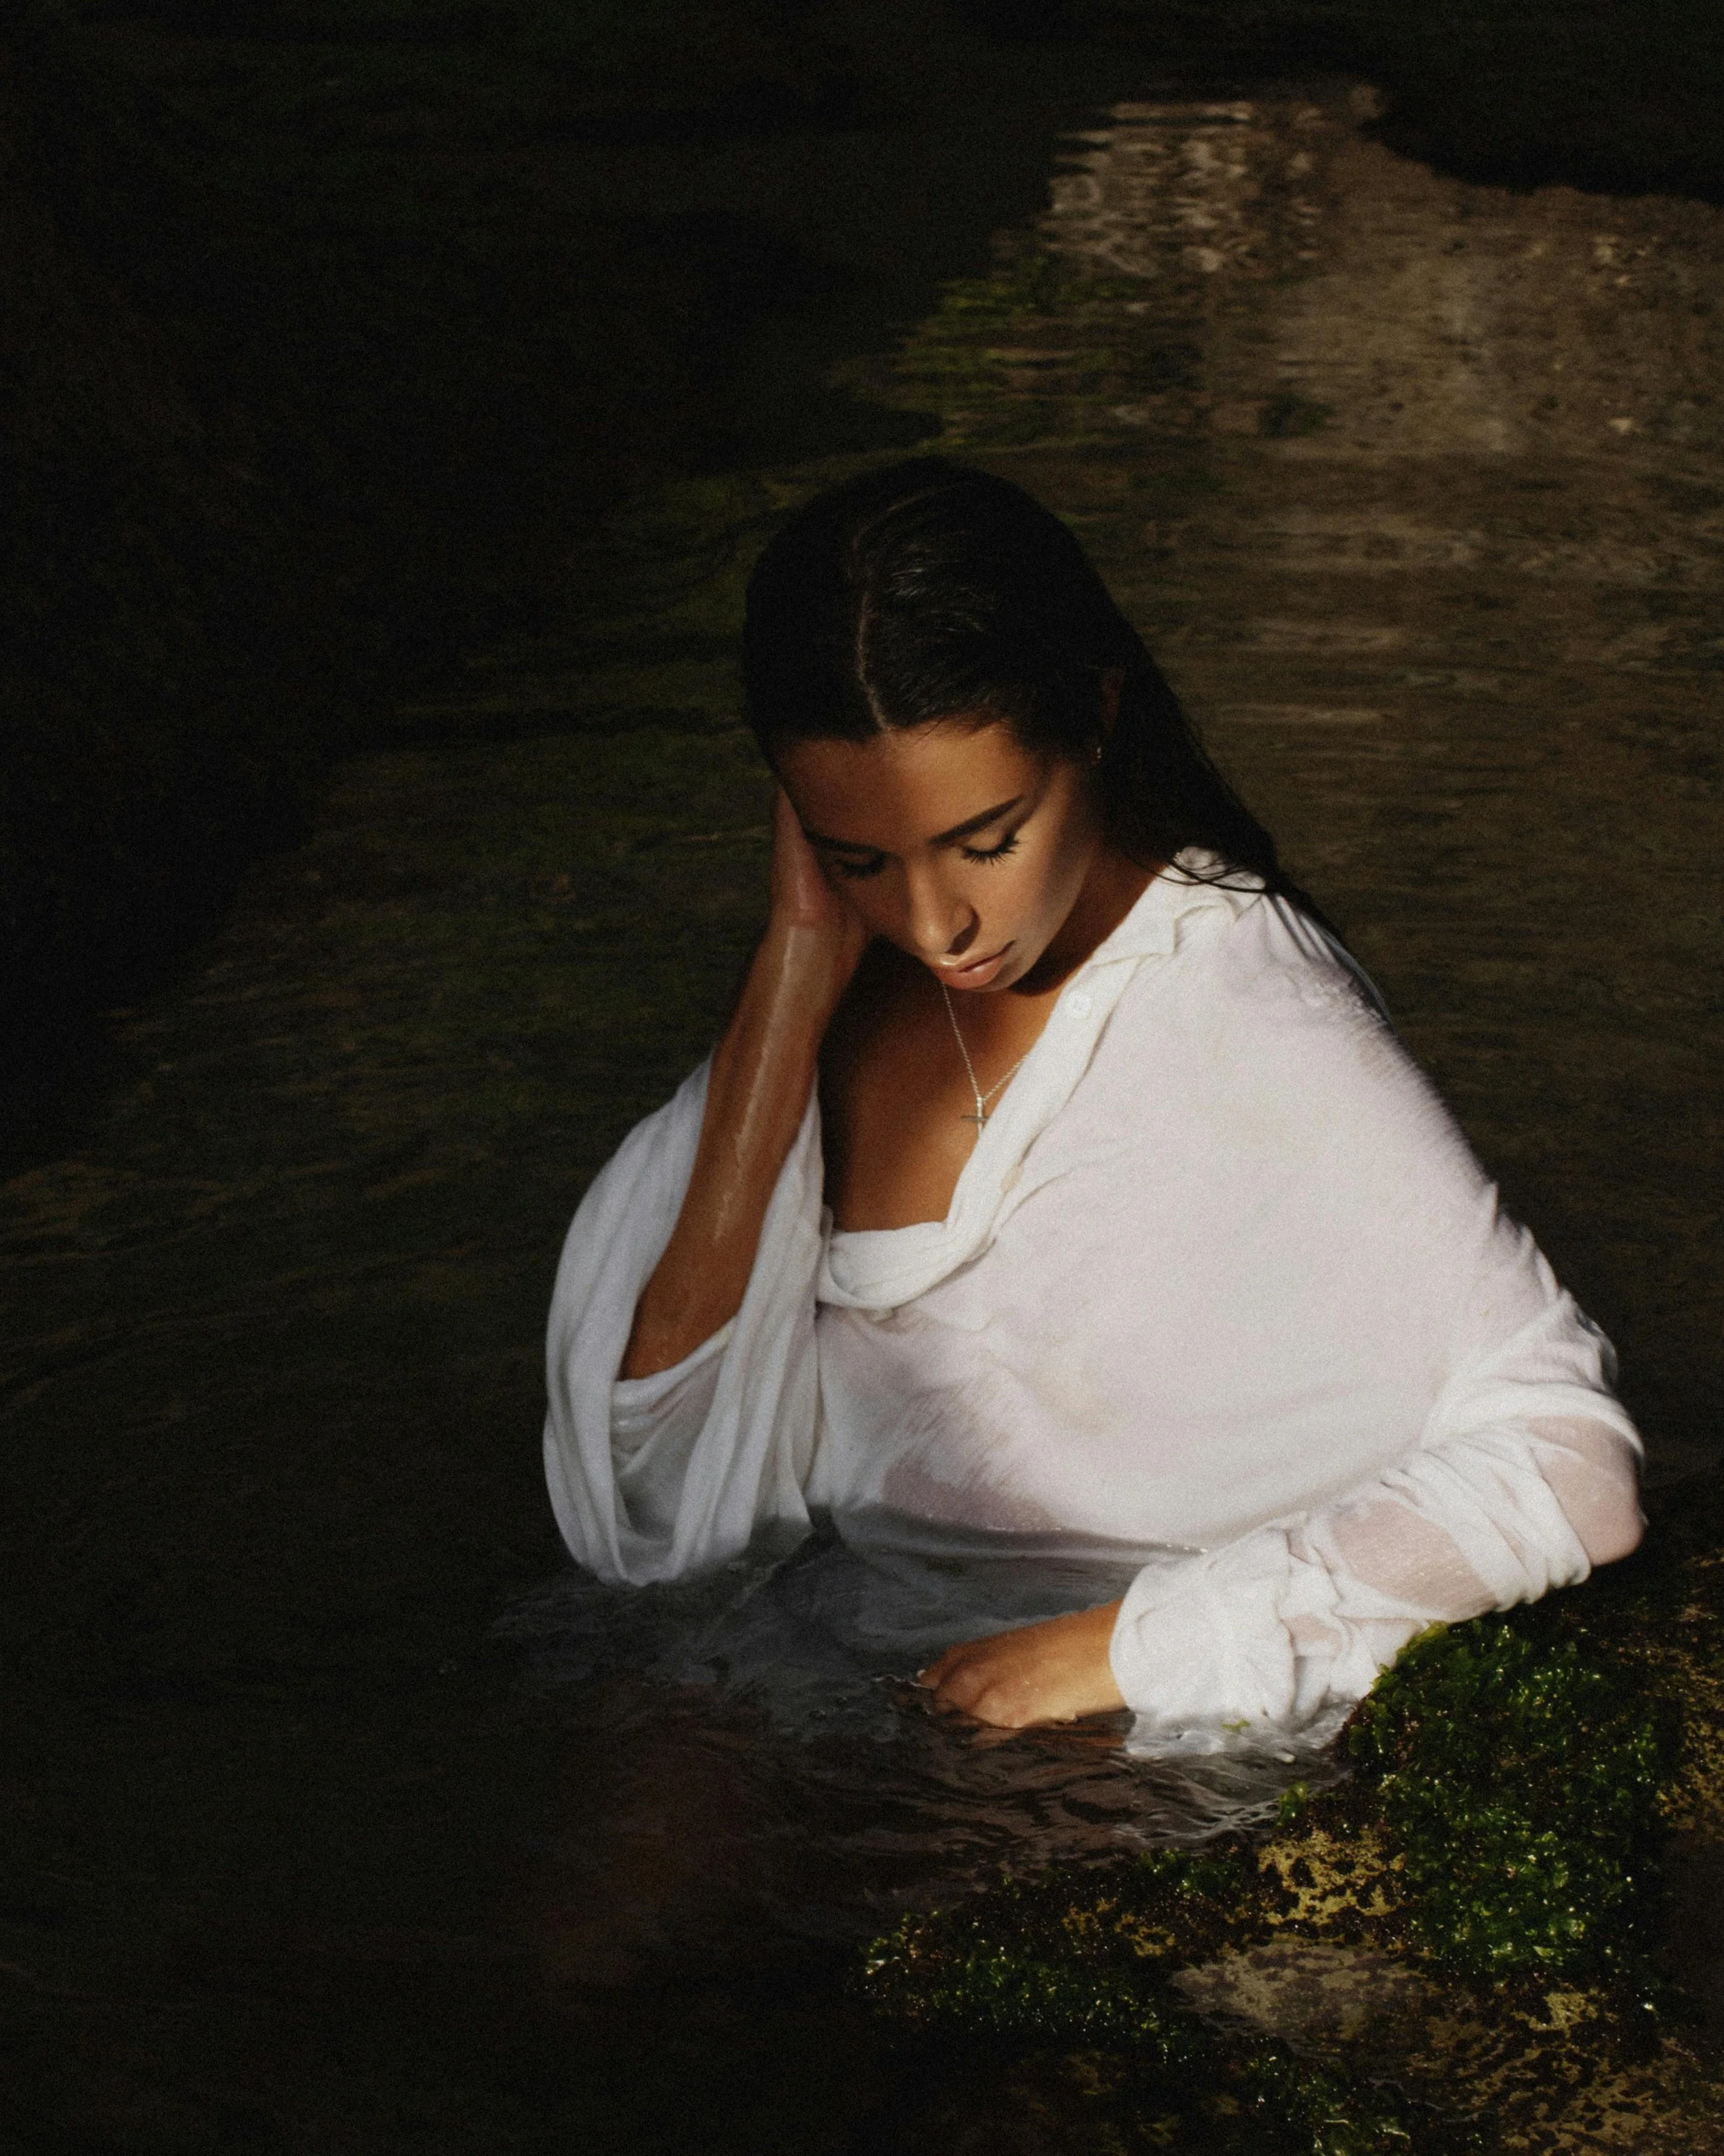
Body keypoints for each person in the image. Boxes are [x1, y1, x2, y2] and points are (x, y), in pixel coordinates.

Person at [541, 457, 1643, 1755]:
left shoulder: (1243, 1001)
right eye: (860, 859)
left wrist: (1119, 1646)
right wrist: (793, 965)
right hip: (826, 1648)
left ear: (1097, 716)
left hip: (1115, 1724)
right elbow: (651, 1505)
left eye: (987, 838)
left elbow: (1571, 1462)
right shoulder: (846, 991)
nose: (936, 923)